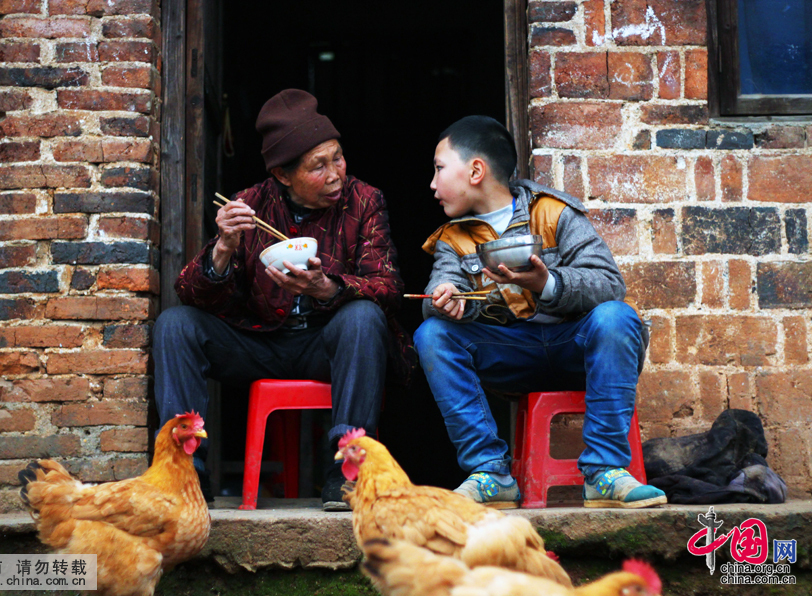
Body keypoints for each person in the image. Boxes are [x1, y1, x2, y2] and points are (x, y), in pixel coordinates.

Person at [154, 89, 413, 511]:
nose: (336, 174)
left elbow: (388, 286)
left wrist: (325, 289)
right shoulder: (250, 205)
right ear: (282, 175)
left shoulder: (365, 200)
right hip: (260, 342)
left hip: (327, 344)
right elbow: (192, 294)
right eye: (318, 166)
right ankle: (184, 478)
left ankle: (347, 476)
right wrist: (223, 246)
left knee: (364, 317)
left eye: (338, 157)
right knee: (175, 324)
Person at [413, 116, 666, 509]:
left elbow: (608, 283)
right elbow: (436, 294)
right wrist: (446, 300)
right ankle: (490, 474)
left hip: (574, 348)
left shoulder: (553, 213)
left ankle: (605, 473)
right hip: (511, 355)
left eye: (439, 168)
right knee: (431, 335)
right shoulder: (454, 239)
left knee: (617, 316)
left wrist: (545, 284)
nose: (432, 183)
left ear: (475, 170)